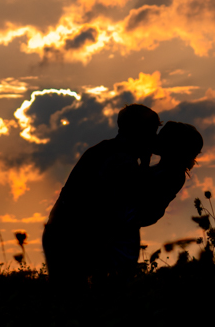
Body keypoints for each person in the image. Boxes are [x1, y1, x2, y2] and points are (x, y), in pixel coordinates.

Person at [42, 108, 203, 281]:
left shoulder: (118, 155)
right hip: (78, 236)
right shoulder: (122, 159)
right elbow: (126, 198)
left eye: (160, 135)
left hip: (78, 235)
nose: (155, 138)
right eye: (154, 132)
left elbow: (135, 200)